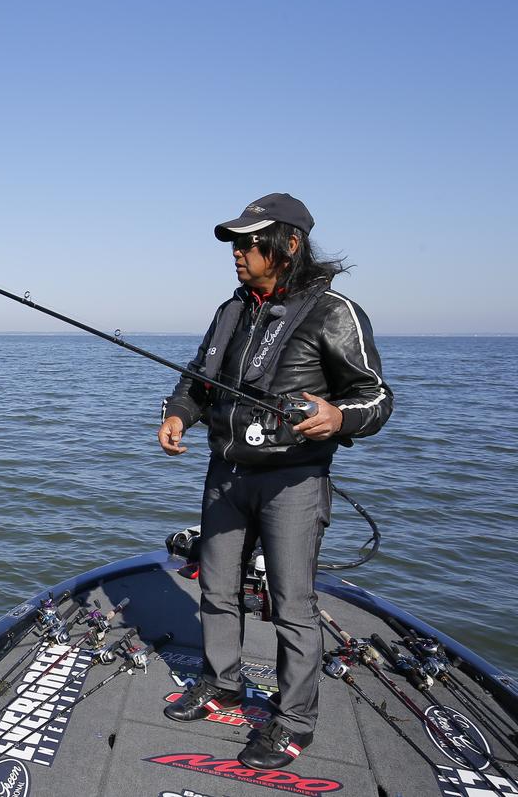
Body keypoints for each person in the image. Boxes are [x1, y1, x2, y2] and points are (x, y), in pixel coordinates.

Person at [156, 193, 392, 769]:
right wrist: (177, 413)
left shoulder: (335, 312)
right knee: (215, 590)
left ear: (287, 244)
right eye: (235, 244)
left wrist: (340, 418)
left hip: (294, 481)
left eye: (249, 243)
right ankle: (222, 686)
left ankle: (293, 722)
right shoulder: (231, 309)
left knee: (292, 605)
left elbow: (377, 398)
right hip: (225, 475)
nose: (238, 254)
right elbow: (196, 380)